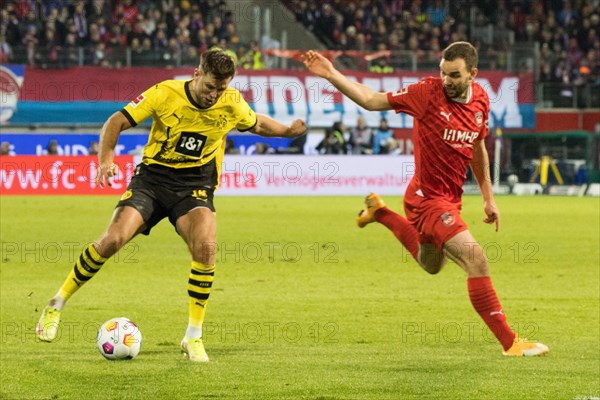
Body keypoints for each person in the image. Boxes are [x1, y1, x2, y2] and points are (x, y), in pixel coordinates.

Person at [35, 48, 306, 362]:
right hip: (152, 180)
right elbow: (116, 121)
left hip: (194, 187)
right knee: (113, 240)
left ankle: (193, 337)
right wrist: (105, 161)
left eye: (221, 89)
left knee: (205, 247)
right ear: (196, 74)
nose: (214, 95)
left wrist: (288, 131)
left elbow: (256, 124)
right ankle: (55, 305)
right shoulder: (165, 93)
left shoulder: (231, 103)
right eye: (210, 87)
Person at [303, 42, 549, 356]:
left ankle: (380, 213)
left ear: (472, 74)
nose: (446, 80)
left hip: (449, 200)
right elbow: (371, 99)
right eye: (443, 73)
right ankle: (510, 342)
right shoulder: (427, 93)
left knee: (431, 265)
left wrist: (488, 197)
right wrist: (331, 73)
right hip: (427, 201)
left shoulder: (482, 101)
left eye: (455, 75)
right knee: (476, 259)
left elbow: (476, 147)